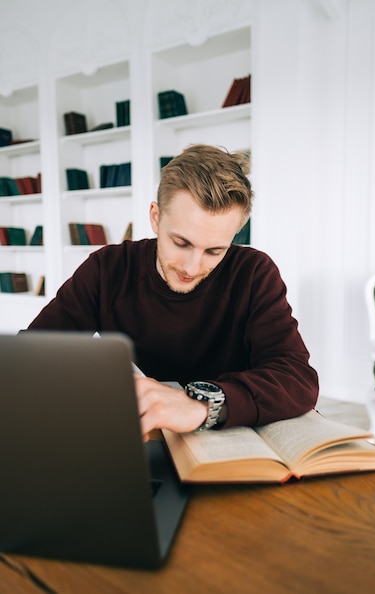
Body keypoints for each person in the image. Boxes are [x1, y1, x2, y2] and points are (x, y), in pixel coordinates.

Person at [28, 144, 319, 440]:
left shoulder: (254, 273)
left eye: (215, 250)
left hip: (229, 441)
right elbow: (32, 357)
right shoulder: (108, 268)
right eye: (181, 243)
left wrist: (201, 405)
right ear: (155, 217)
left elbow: (296, 377)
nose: (192, 267)